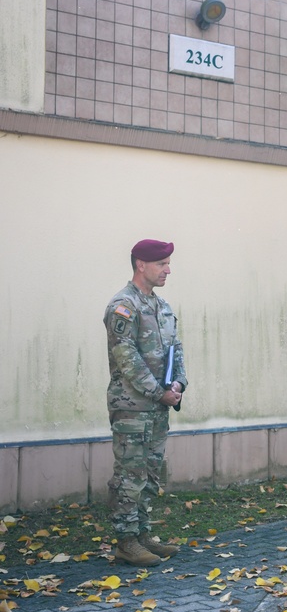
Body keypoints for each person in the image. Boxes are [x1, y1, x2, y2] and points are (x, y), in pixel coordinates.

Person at [104, 239, 187, 567]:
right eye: (162, 264)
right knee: (130, 473)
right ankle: (126, 541)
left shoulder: (162, 306)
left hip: (157, 407)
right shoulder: (123, 306)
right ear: (141, 264)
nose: (168, 269)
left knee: (150, 473)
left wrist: (179, 382)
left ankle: (142, 534)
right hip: (132, 407)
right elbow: (128, 359)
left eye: (168, 263)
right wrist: (159, 392)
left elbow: (175, 349)